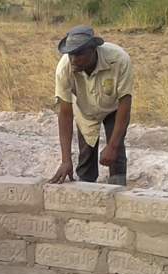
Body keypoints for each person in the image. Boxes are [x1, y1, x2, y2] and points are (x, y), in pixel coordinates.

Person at [49, 26, 133, 186]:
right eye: (70, 54)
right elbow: (65, 113)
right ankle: (86, 194)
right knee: (86, 155)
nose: (73, 59)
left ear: (93, 50)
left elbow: (125, 104)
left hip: (114, 108)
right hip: (85, 110)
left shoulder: (119, 59)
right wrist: (65, 160)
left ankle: (117, 193)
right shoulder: (64, 68)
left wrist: (113, 146)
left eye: (79, 54)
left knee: (116, 155)